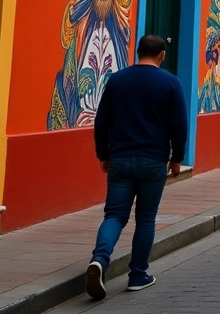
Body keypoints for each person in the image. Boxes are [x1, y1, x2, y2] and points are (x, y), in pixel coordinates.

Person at [85, 34, 188, 300]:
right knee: (146, 218)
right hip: (153, 161)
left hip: (120, 158)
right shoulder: (171, 83)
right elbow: (178, 125)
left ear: (137, 52)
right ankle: (138, 274)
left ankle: (99, 260)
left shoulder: (117, 80)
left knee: (114, 216)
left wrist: (103, 154)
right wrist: (177, 157)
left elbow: (102, 121)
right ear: (162, 55)